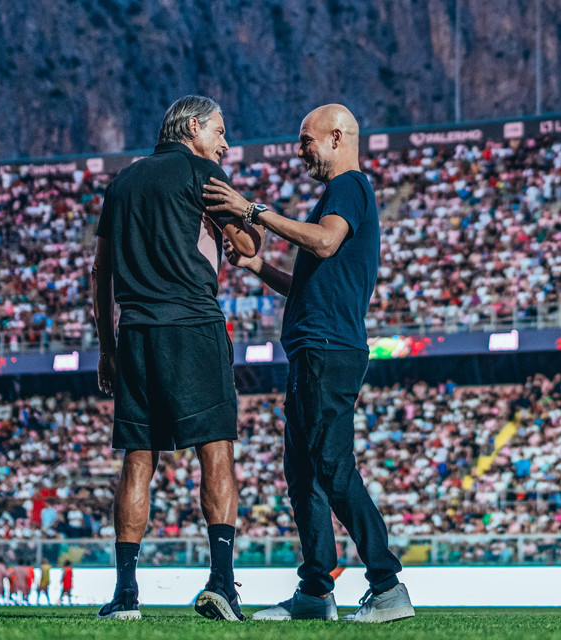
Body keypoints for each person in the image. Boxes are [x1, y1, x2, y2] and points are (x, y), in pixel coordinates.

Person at [204, 104, 414, 623]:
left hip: (328, 348)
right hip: (313, 347)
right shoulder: (339, 194)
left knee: (332, 467)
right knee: (303, 475)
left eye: (306, 141)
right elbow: (305, 285)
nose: (299, 152)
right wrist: (257, 265)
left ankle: (387, 587)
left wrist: (253, 211)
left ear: (337, 137)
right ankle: (315, 592)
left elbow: (324, 241)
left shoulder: (348, 187)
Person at [92, 94, 261, 622]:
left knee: (138, 458)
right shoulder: (203, 173)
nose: (225, 143)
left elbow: (100, 272)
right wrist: (244, 221)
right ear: (192, 128)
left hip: (136, 333)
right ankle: (221, 584)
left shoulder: (122, 182)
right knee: (215, 452)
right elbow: (248, 246)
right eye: (219, 131)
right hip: (193, 327)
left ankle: (125, 594)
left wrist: (106, 348)